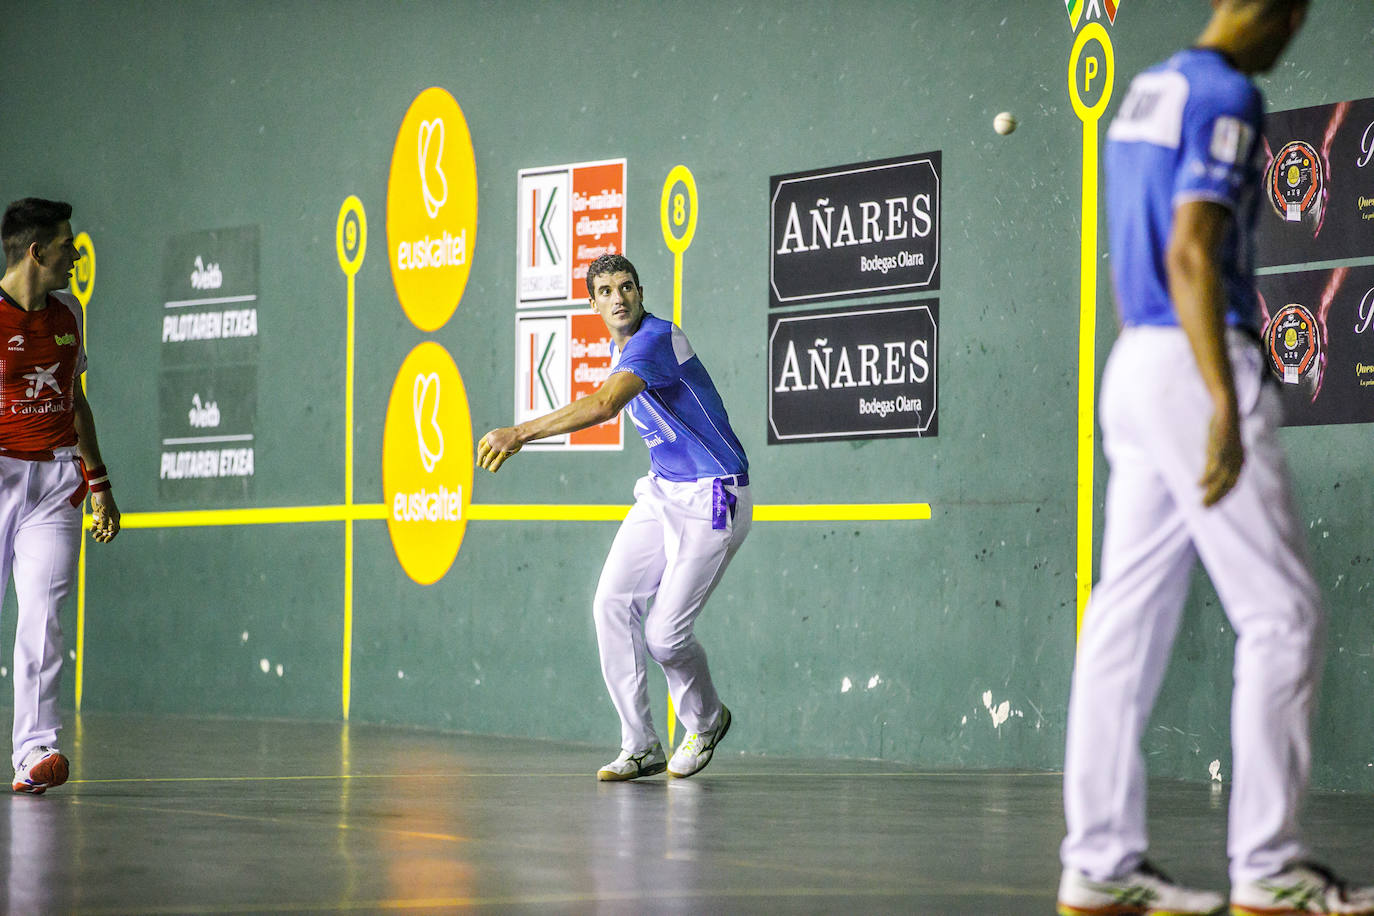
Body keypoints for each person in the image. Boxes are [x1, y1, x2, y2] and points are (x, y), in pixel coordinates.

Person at [1057, 3, 1374, 914]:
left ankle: (1099, 865)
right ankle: (1269, 866)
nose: (1291, 36)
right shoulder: (1229, 93)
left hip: (1136, 362)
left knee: (1124, 621)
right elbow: (1191, 250)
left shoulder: (1146, 90)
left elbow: (1140, 253)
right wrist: (1224, 403)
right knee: (1283, 615)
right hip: (1199, 359)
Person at [478, 253, 750, 781]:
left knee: (665, 636)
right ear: (593, 302)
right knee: (611, 602)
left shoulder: (654, 340)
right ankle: (641, 743)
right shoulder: (618, 346)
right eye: (606, 291)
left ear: (641, 293)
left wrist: (518, 433)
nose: (618, 297)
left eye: (626, 287)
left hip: (715, 495)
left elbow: (604, 405)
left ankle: (707, 719)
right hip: (664, 492)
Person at [0, 198, 120, 795]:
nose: (76, 255)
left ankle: (34, 751)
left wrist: (99, 483)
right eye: (68, 246)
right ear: (35, 252)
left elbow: (74, 399)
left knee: (44, 618)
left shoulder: (70, 311)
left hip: (54, 484)